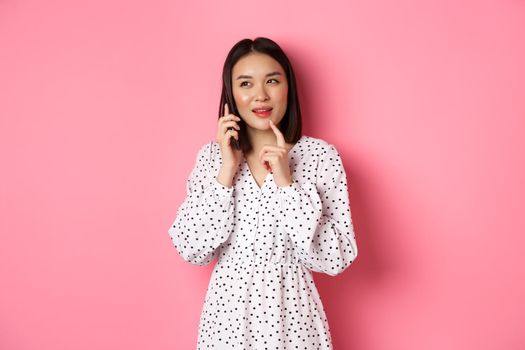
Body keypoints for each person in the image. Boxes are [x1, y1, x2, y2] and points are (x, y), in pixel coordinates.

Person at [168, 37, 358, 349]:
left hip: (294, 320)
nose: (260, 95)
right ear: (231, 93)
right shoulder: (211, 159)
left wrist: (287, 184)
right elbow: (191, 248)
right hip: (226, 322)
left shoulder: (319, 157)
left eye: (272, 80)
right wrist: (226, 172)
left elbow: (336, 258)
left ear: (288, 87)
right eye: (246, 83)